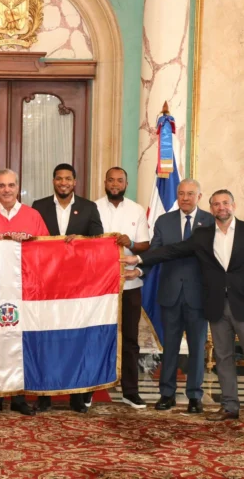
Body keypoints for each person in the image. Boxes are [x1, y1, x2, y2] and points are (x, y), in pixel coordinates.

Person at [122, 189, 244, 427]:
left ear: (233, 206)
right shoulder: (203, 234)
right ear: (211, 208)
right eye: (216, 204)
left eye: (225, 203)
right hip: (215, 306)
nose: (221, 207)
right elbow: (172, 250)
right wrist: (139, 259)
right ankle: (230, 405)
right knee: (223, 358)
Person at [0, 168, 49, 416]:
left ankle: (18, 398)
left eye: (11, 185)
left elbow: (47, 251)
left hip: (25, 291)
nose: (6, 190)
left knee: (19, 342)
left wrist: (29, 241)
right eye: (1, 186)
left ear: (18, 188)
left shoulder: (33, 216)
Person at [31, 163, 104, 413]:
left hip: (77, 286)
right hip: (46, 285)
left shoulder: (89, 207)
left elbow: (98, 241)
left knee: (75, 339)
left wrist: (80, 240)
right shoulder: (39, 207)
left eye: (68, 179)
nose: (63, 183)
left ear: (75, 182)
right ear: (53, 181)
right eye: (59, 178)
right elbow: (31, 243)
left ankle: (76, 396)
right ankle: (44, 395)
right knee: (45, 339)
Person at [144, 178, 214, 414]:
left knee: (197, 348)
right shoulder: (164, 221)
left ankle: (195, 395)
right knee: (170, 347)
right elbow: (155, 252)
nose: (185, 198)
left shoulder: (210, 221)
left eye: (190, 194)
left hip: (198, 296)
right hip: (170, 294)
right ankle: (167, 394)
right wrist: (140, 270)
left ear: (199, 197)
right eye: (181, 193)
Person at [94, 167, 150, 410]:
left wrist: (131, 243)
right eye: (111, 180)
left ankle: (130, 392)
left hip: (130, 285)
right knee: (97, 337)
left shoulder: (136, 210)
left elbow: (145, 245)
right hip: (98, 287)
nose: (115, 184)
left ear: (126, 184)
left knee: (130, 339)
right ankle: (92, 390)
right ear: (105, 183)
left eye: (120, 180)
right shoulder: (93, 208)